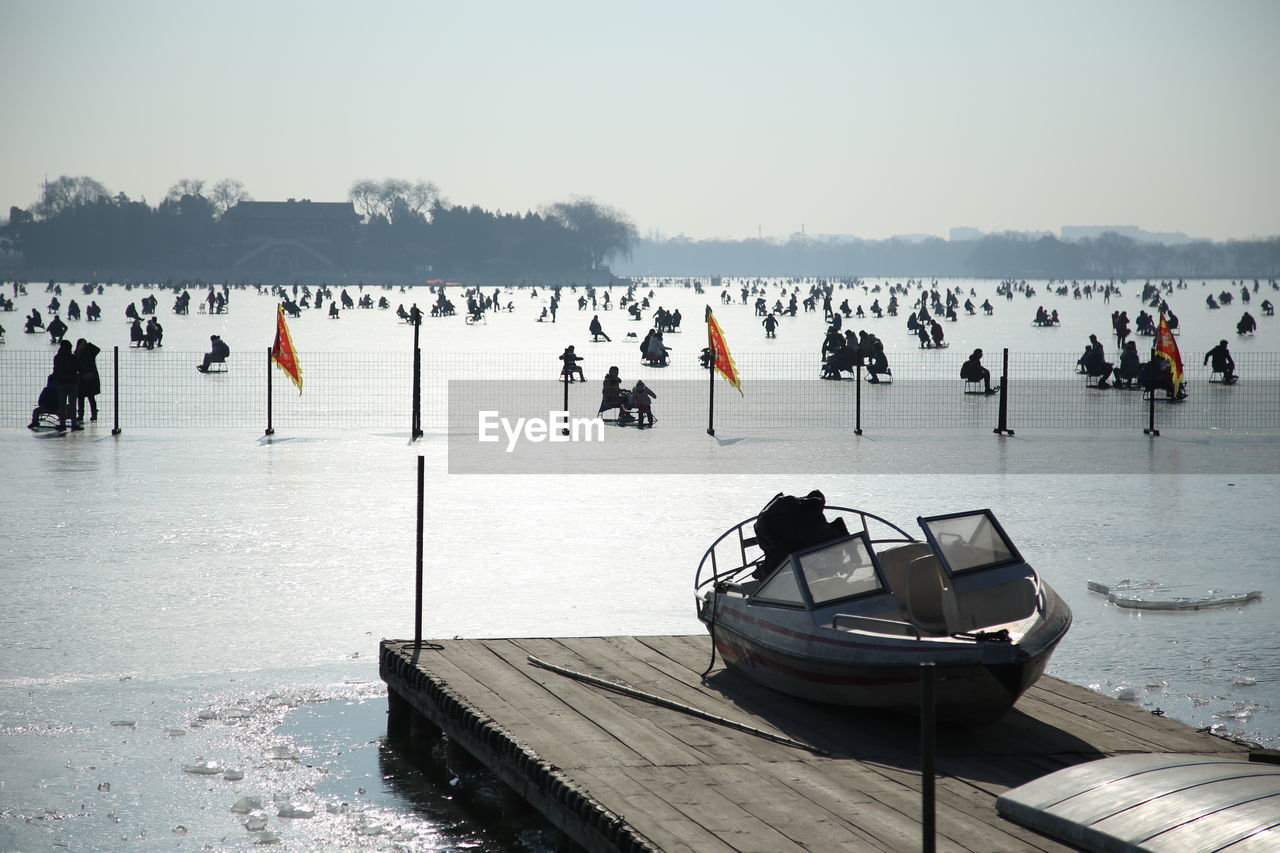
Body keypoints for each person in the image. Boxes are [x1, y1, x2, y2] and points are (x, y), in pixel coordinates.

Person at [51, 339, 81, 430]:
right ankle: (74, 424)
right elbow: (79, 368)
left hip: (61, 383)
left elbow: (55, 370)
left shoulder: (57, 357)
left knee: (62, 405)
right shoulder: (73, 357)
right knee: (73, 405)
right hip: (72, 383)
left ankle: (62, 424)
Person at [74, 338, 101, 422]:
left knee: (91, 397)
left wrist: (88, 344)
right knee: (80, 398)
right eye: (82, 343)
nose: (84, 345)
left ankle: (94, 415)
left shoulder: (90, 353)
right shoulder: (76, 354)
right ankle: (80, 415)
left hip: (90, 379)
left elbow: (97, 349)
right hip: (81, 379)